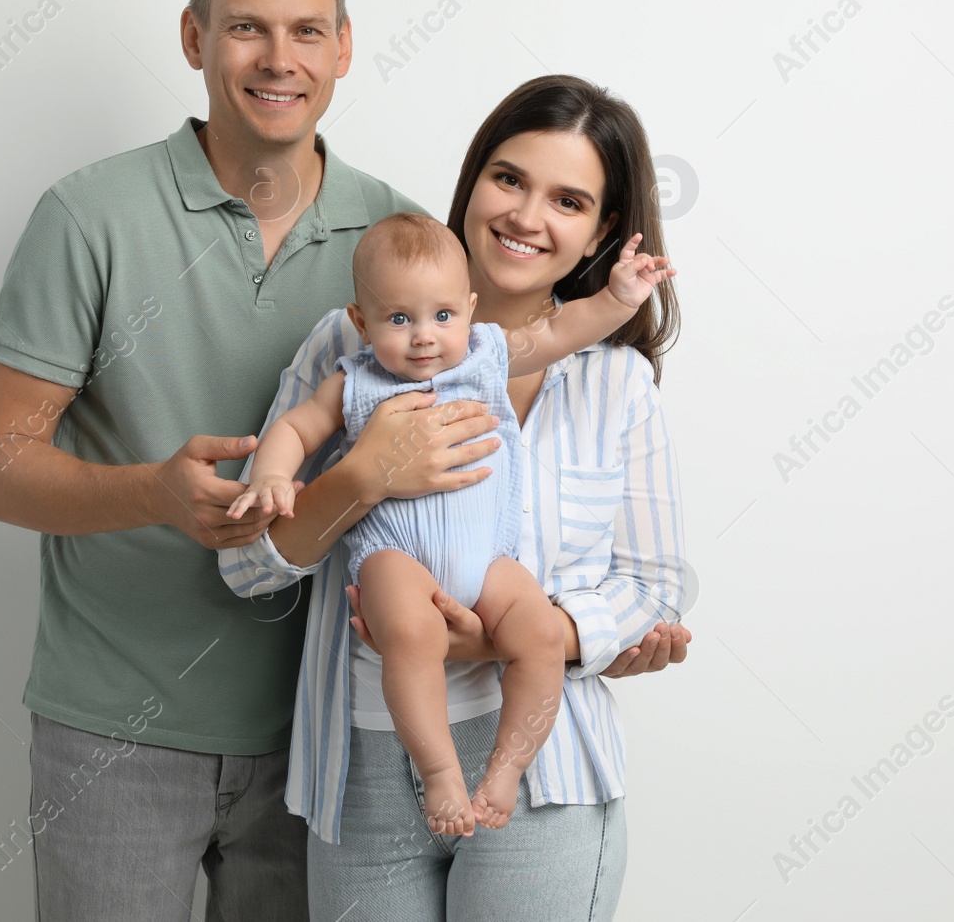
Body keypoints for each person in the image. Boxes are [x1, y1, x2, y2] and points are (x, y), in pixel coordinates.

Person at [0, 0, 484, 921]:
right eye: (246, 28)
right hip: (112, 727)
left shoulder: (408, 247)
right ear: (195, 39)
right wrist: (154, 489)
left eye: (305, 30)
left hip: (330, 729)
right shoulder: (87, 216)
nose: (278, 59)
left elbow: (461, 461)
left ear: (342, 45)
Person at [218, 74, 694, 920]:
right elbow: (245, 567)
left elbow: (651, 586)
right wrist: (361, 474)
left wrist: (513, 637)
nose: (525, 214)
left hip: (546, 779)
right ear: (474, 180)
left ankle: (501, 757)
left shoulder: (617, 384)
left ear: (603, 230)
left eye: (569, 199)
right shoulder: (346, 346)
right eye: (509, 178)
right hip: (362, 770)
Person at [226, 211, 675, 835]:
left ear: (467, 310)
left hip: (489, 557)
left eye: (442, 316)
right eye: (398, 319)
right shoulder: (354, 380)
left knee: (541, 636)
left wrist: (616, 298)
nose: (423, 338)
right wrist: (273, 476)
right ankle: (439, 772)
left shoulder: (489, 353)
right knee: (410, 637)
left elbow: (563, 330)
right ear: (361, 322)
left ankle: (506, 770)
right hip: (395, 556)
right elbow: (295, 430)